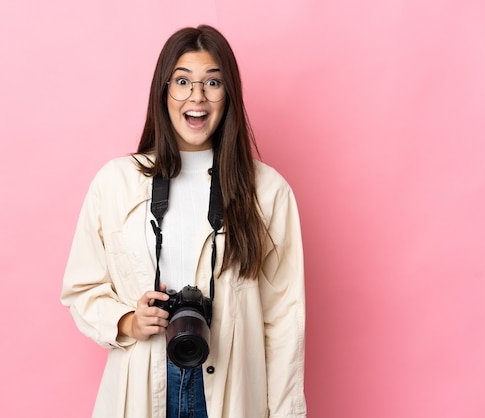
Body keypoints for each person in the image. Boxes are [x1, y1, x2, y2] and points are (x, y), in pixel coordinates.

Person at [61, 24, 306, 418]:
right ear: (163, 91)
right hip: (144, 377)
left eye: (213, 82)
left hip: (231, 386)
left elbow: (284, 323)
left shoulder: (268, 191)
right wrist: (127, 321)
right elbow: (81, 288)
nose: (197, 96)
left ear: (229, 95)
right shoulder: (116, 182)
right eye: (182, 81)